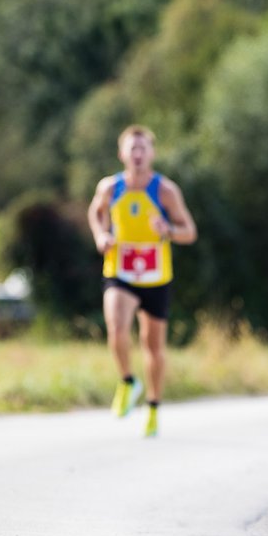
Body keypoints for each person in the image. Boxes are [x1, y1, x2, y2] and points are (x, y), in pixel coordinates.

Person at [87, 125, 197, 438]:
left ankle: (153, 406)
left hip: (156, 276)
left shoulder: (165, 191)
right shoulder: (110, 187)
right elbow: (95, 213)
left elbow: (189, 231)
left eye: (143, 148)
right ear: (122, 154)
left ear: (152, 153)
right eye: (131, 148)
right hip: (120, 270)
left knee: (153, 346)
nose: (137, 154)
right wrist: (101, 235)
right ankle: (127, 381)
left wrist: (169, 231)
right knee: (116, 326)